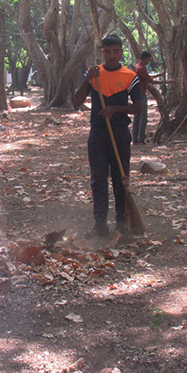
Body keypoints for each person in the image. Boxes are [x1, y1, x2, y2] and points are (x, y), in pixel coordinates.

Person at [74, 34, 143, 237]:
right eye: (108, 52)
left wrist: (115, 109)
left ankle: (121, 223)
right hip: (98, 133)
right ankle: (100, 225)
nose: (112, 56)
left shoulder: (129, 76)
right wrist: (87, 79)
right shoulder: (94, 73)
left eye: (116, 51)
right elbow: (77, 101)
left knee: (121, 178)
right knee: (98, 179)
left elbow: (138, 107)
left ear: (121, 52)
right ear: (102, 52)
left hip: (120, 132)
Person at [132, 51, 173, 145]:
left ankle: (135, 139)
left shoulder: (137, 67)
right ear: (146, 58)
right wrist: (167, 82)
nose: (149, 61)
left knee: (137, 117)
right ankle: (141, 139)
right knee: (143, 118)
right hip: (141, 95)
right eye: (149, 59)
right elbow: (151, 81)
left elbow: (146, 77)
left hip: (136, 95)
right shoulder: (141, 68)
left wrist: (159, 75)